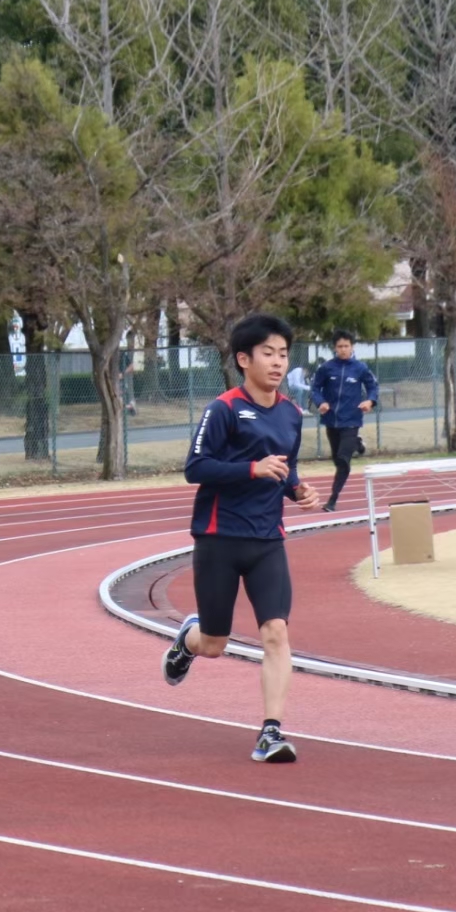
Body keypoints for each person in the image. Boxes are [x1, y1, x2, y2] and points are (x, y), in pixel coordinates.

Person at [160, 314, 320, 763]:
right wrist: (251, 468)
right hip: (219, 539)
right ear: (244, 359)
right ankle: (188, 639)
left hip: (267, 541)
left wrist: (297, 489)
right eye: (268, 353)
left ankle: (271, 732)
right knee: (215, 644)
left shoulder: (291, 413)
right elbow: (196, 468)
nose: (278, 362)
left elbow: (285, 468)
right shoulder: (224, 409)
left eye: (283, 353)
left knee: (276, 633)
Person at [311, 330, 379, 512]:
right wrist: (321, 402)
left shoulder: (360, 368)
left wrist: (370, 401)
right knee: (337, 459)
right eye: (339, 346)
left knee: (343, 459)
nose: (343, 349)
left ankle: (332, 500)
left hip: (351, 420)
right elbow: (315, 388)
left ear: (352, 347)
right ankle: (357, 444)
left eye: (346, 346)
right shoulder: (326, 368)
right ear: (335, 348)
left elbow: (372, 386)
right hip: (331, 420)